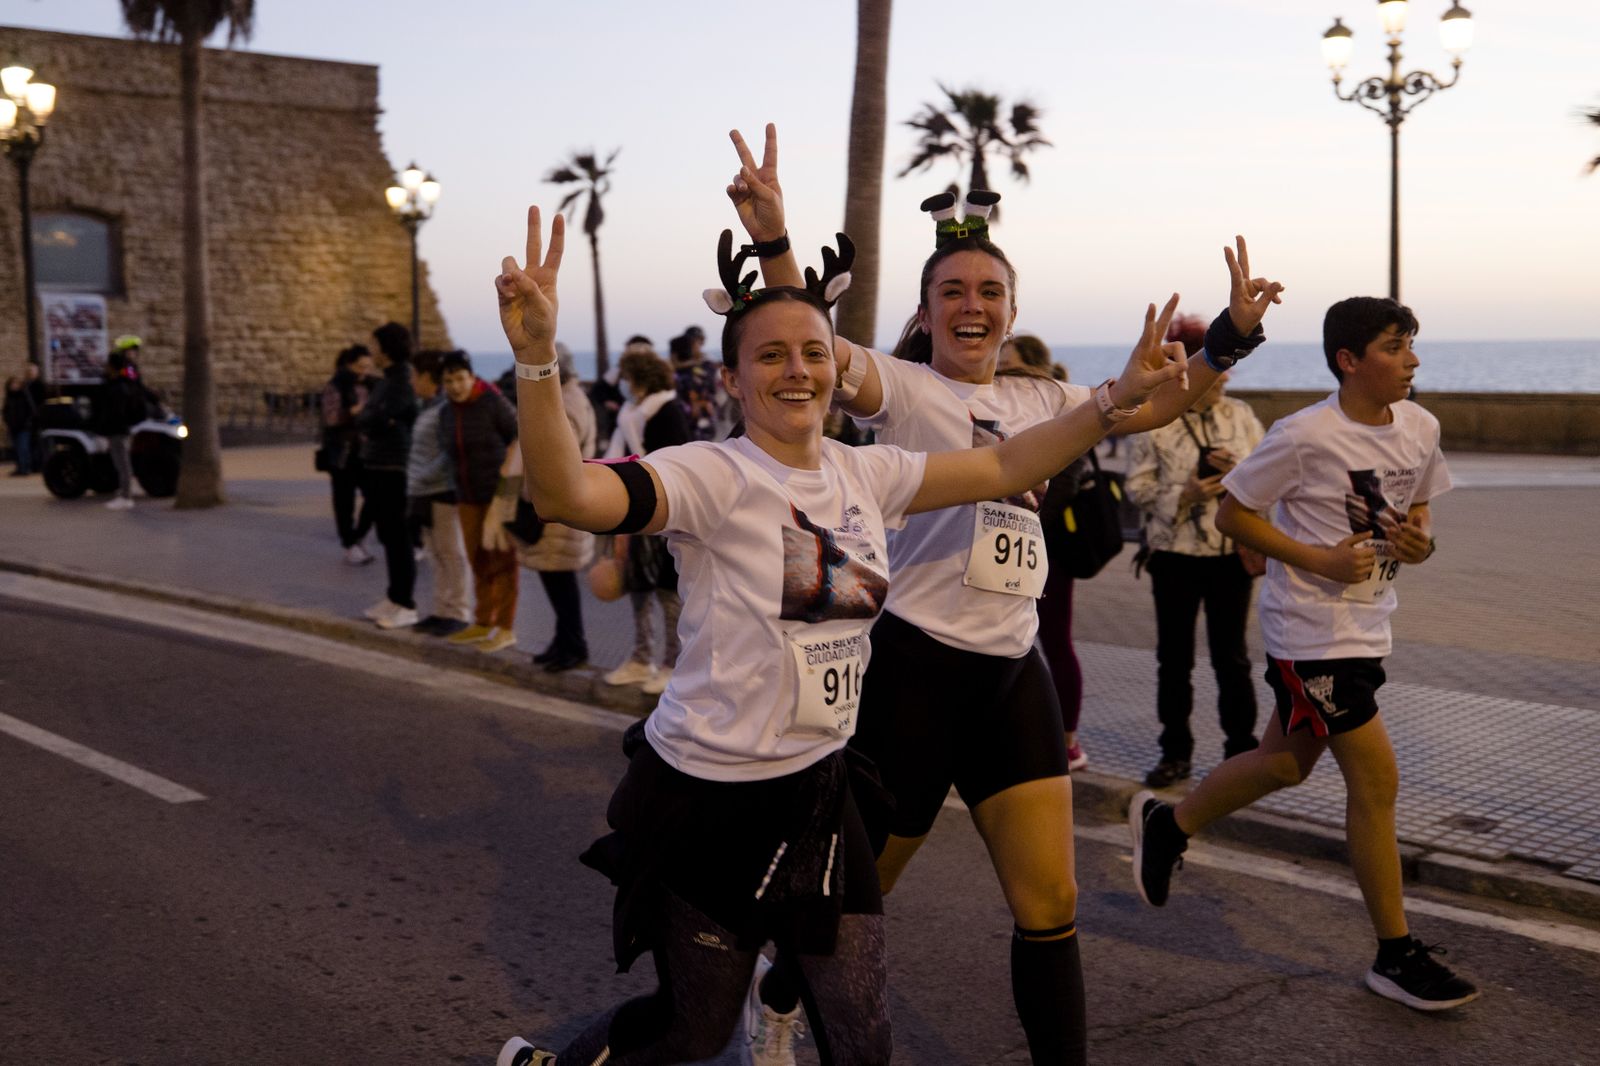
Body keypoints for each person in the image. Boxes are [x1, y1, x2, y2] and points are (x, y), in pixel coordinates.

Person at [490, 205, 1184, 1066]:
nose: (798, 370)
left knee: (865, 1044)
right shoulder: (709, 476)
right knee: (693, 1032)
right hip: (708, 796)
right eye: (771, 355)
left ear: (835, 372)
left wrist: (1114, 399)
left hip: (820, 792)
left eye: (815, 352)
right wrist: (534, 360)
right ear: (734, 380)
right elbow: (568, 496)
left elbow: (1007, 465)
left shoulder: (869, 471)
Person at [726, 123, 1284, 1065]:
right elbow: (810, 337)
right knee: (866, 894)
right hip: (912, 670)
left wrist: (1228, 336)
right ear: (928, 311)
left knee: (1050, 905)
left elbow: (1158, 399)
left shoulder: (1045, 399)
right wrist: (778, 239)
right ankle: (776, 992)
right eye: (952, 292)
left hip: (1010, 675)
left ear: (1012, 307)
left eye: (990, 291)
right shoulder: (897, 388)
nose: (971, 305)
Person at [1130, 296, 1477, 1013]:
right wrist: (1316, 559)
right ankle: (1394, 953)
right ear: (1350, 361)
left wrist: (1421, 541)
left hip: (1369, 624)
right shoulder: (1303, 435)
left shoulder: (1420, 426)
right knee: (1377, 782)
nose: (1412, 357)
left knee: (1284, 765)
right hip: (1310, 636)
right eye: (1395, 346)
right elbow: (1234, 514)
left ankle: (1170, 824)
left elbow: (1418, 511)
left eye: (1413, 344)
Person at [1125, 314, 1267, 787]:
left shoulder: (1240, 417)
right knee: (1174, 659)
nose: (1225, 376)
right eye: (1216, 367)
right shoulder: (1156, 421)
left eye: (1228, 366)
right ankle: (1175, 753)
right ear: (1187, 372)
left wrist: (1238, 474)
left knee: (1233, 658)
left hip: (1230, 556)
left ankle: (1241, 752)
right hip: (1174, 556)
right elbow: (1136, 488)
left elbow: (1271, 481)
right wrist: (1183, 495)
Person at [1001, 334, 1091, 770]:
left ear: (1035, 369)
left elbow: (1065, 483)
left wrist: (1020, 514)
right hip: (1008, 547)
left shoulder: (1060, 413)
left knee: (1055, 640)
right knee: (1011, 639)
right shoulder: (1006, 411)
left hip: (1047, 548)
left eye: (1011, 366)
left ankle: (1069, 741)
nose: (1001, 373)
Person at [601, 346, 693, 695]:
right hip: (632, 510)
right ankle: (641, 658)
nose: (623, 383)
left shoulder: (667, 410)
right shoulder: (631, 410)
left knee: (668, 593)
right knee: (637, 586)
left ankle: (674, 663)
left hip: (665, 513)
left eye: (626, 376)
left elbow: (675, 461)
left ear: (639, 377)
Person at [514, 342, 596, 672]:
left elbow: (557, 455)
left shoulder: (567, 402)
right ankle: (562, 642)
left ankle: (573, 646)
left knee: (560, 582)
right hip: (557, 502)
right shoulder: (569, 397)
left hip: (558, 504)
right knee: (557, 581)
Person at [437, 351, 521, 653]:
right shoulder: (446, 412)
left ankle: (506, 627)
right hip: (466, 496)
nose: (456, 386)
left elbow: (518, 436)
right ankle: (483, 621)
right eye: (449, 381)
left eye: (461, 379)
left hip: (497, 495)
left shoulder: (491, 402)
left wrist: (507, 483)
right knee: (477, 559)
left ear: (471, 378)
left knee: (503, 560)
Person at [356, 322, 420, 628]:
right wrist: (374, 418)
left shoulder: (402, 381)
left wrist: (375, 418)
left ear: (387, 347)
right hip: (379, 465)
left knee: (398, 536)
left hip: (395, 467)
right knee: (387, 535)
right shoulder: (386, 381)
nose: (372, 352)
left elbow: (377, 417)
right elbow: (371, 418)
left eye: (375, 345)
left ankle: (405, 603)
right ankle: (394, 597)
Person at [406, 350, 473, 637]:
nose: (411, 381)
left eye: (414, 375)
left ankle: (457, 612)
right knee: (436, 553)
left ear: (426, 377)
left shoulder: (444, 410)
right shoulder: (429, 407)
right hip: (425, 493)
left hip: (443, 491)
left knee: (451, 553)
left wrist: (421, 476)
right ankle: (441, 610)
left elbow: (449, 452)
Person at [320, 345, 377, 564]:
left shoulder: (371, 384)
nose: (364, 371)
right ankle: (349, 544)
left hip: (367, 450)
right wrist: (355, 411)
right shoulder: (335, 385)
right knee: (344, 501)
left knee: (375, 495)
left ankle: (358, 536)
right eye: (360, 366)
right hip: (342, 452)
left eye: (368, 367)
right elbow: (331, 418)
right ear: (349, 364)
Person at [95, 337, 157, 510]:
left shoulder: (126, 373)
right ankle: (124, 491)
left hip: (120, 424)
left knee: (122, 460)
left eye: (134, 351)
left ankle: (126, 494)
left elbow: (134, 389)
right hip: (121, 423)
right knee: (120, 460)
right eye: (130, 351)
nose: (133, 354)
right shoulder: (125, 371)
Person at [4, 370, 39, 476]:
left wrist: (28, 422)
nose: (14, 386)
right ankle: (19, 468)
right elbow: (5, 411)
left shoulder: (24, 396)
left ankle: (25, 468)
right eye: (12, 384)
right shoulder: (9, 397)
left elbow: (31, 410)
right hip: (13, 427)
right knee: (16, 449)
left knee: (24, 448)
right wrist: (7, 421)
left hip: (24, 427)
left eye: (16, 384)